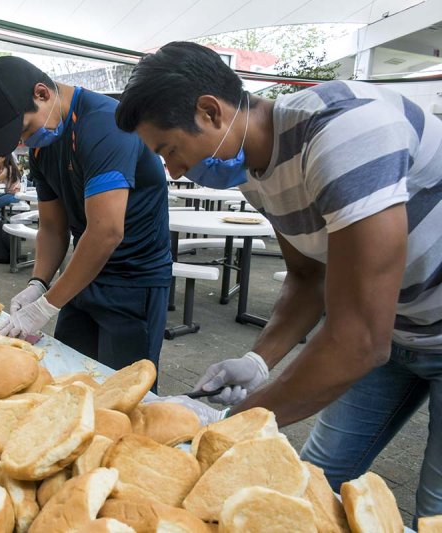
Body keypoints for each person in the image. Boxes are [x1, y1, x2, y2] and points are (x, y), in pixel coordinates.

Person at [116, 41, 442, 523]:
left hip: (390, 329)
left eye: (171, 150)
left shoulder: (345, 132)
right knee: (314, 479)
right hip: (395, 329)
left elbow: (357, 340)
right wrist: (258, 361)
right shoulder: (254, 169)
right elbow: (309, 276)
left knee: (435, 510)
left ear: (210, 112)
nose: (174, 170)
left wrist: (229, 422)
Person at [0, 56, 172, 380]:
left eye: (24, 129)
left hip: (133, 281)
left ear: (42, 93)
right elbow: (53, 227)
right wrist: (38, 284)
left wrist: (46, 306)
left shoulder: (105, 124)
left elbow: (106, 232)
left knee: (122, 391)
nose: (24, 142)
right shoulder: (43, 145)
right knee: (65, 375)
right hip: (83, 272)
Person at [0, 155, 21, 221]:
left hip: (15, 195)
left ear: (3, 158)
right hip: (8, 193)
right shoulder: (0, 168)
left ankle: (1, 224)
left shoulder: (8, 168)